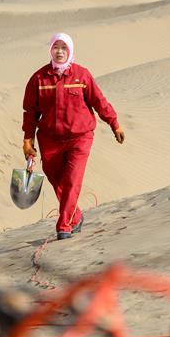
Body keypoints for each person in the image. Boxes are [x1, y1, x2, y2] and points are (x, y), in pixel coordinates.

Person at [22, 32, 125, 239]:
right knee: (56, 180)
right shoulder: (39, 79)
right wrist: (27, 139)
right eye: (56, 47)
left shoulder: (82, 75)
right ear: (50, 50)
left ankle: (64, 225)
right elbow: (30, 112)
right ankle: (75, 215)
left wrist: (114, 124)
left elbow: (99, 102)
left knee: (72, 180)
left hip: (80, 138)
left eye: (64, 48)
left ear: (70, 51)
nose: (59, 52)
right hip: (49, 139)